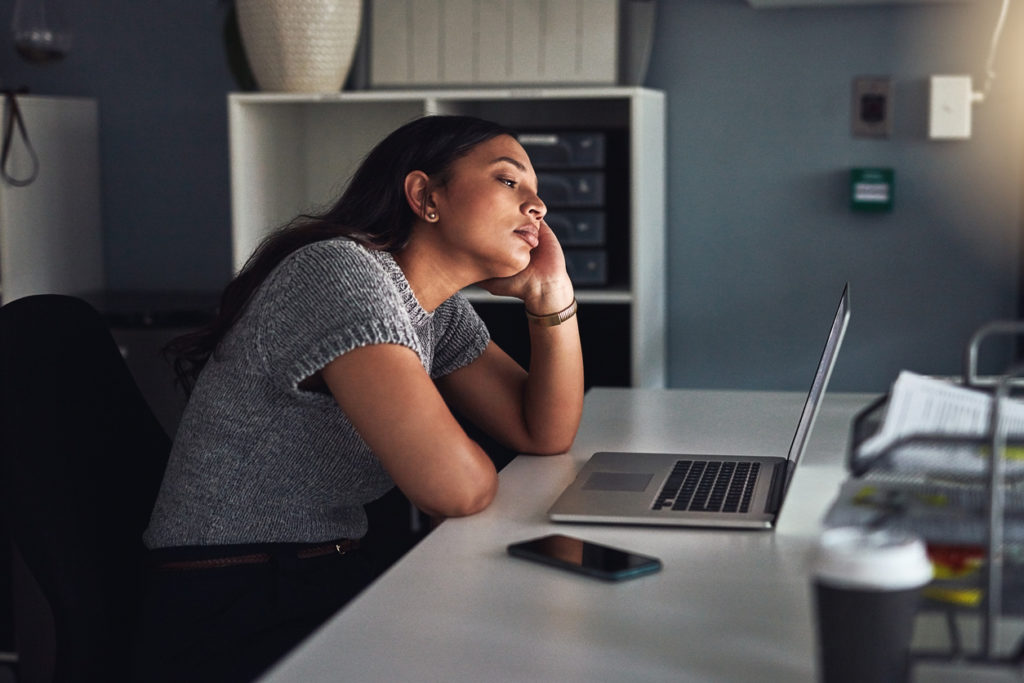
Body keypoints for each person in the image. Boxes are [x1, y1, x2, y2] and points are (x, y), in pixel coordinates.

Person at [132, 115, 584, 682]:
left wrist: (551, 292)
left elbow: (542, 431)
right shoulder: (341, 273)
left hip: (313, 572)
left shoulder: (432, 307)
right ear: (425, 196)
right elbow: (456, 490)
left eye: (536, 190)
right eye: (508, 180)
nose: (537, 205)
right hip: (230, 601)